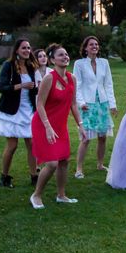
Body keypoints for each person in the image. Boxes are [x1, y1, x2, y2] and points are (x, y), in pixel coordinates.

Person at [30, 44, 86, 209]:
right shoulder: (49, 78)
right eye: (60, 55)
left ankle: (61, 195)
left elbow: (73, 104)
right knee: (52, 163)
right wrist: (47, 126)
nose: (65, 57)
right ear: (52, 59)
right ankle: (36, 195)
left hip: (60, 126)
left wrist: (80, 125)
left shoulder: (72, 78)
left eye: (66, 54)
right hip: (43, 123)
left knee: (63, 161)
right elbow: (39, 104)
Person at [0, 39, 39, 187]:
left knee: (32, 144)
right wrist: (21, 85)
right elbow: (2, 87)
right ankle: (4, 176)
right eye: (23, 48)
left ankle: (34, 176)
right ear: (17, 50)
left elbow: (35, 89)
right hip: (12, 111)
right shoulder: (9, 65)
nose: (27, 50)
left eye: (28, 47)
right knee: (12, 146)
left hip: (29, 109)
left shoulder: (31, 67)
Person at [73, 36, 117, 178]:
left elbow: (108, 84)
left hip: (102, 103)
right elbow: (77, 85)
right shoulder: (79, 64)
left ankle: (100, 164)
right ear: (85, 48)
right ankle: (79, 169)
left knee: (102, 136)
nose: (94, 46)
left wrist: (112, 104)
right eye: (91, 44)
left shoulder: (104, 63)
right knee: (85, 138)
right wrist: (81, 102)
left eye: (96, 44)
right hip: (87, 104)